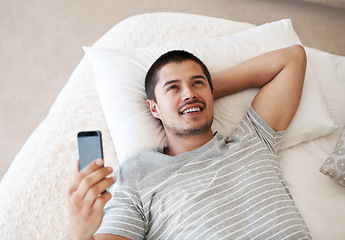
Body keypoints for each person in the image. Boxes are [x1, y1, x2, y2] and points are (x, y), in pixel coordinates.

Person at [68, 45, 311, 240]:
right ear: (153, 108)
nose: (188, 92)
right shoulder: (136, 175)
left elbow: (293, 58)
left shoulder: (253, 138)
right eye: (172, 88)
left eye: (197, 83)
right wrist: (81, 235)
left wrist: (201, 93)